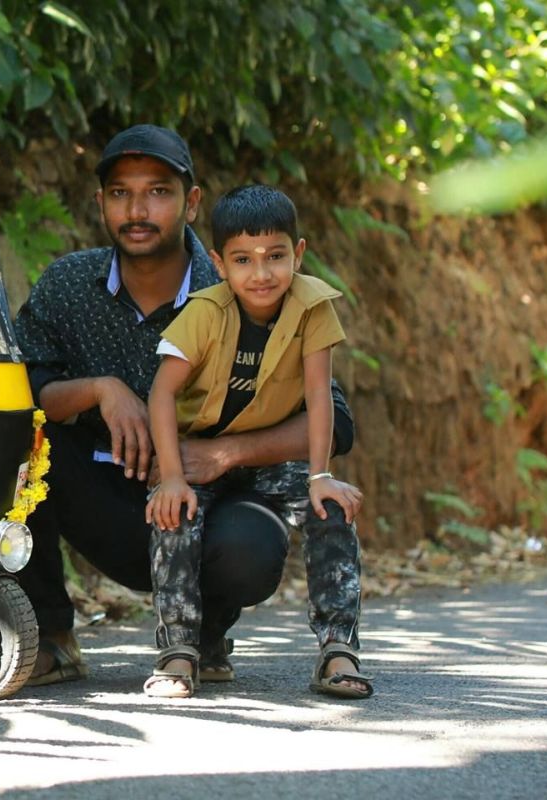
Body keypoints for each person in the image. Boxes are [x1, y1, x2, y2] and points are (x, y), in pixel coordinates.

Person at [13, 124, 365, 693]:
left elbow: (336, 419)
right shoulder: (68, 284)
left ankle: (205, 634)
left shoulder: (238, 278)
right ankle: (51, 635)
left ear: (192, 202)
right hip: (110, 500)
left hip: (214, 507)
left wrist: (223, 453)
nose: (138, 209)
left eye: (158, 191)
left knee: (249, 547)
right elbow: (23, 387)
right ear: (101, 203)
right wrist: (100, 390)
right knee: (15, 441)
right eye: (121, 193)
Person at [143, 185, 371, 699]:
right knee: (173, 512)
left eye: (275, 257)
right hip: (199, 451)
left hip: (270, 459)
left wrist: (318, 477)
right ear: (220, 264)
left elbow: (319, 395)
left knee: (330, 508)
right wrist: (173, 476)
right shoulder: (204, 312)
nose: (261, 273)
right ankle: (180, 650)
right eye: (243, 260)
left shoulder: (313, 308)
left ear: (299, 254)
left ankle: (338, 650)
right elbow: (162, 392)